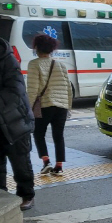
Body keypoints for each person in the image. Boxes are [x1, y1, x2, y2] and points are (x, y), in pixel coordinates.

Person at [0, 36, 35, 211]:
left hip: (14, 118)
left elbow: (16, 88)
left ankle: (26, 195)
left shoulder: (4, 55)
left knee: (20, 162)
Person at [26, 33, 72, 176]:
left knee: (39, 133)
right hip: (62, 106)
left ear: (37, 48)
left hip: (45, 105)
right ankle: (59, 167)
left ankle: (46, 162)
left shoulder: (34, 64)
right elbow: (68, 88)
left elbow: (32, 90)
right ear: (51, 49)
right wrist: (68, 106)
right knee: (59, 136)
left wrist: (28, 108)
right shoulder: (61, 65)